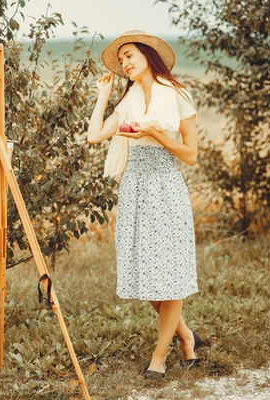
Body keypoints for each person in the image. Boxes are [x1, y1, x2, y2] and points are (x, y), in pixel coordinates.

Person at [87, 30, 205, 379]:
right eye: (121, 58)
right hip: (135, 188)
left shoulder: (178, 96)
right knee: (148, 275)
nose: (124, 62)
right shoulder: (129, 100)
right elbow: (95, 135)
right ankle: (186, 336)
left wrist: (153, 133)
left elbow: (191, 155)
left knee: (168, 275)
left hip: (166, 186)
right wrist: (103, 95)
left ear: (148, 55)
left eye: (129, 55)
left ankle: (160, 356)